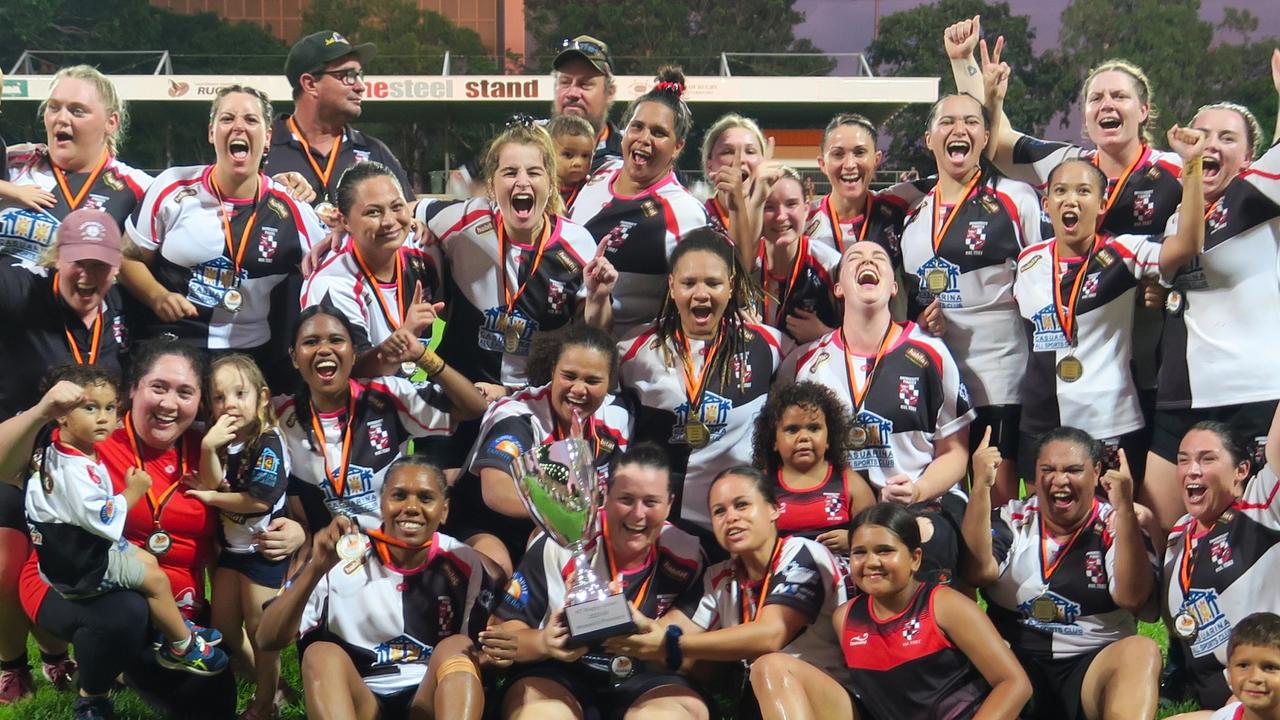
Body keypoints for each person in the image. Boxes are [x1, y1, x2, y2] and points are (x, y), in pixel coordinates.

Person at [13, 340, 306, 719]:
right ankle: (101, 681)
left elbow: (270, 496)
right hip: (82, 589)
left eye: (185, 392)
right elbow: (6, 466)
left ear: (200, 402)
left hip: (177, 615)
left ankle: (136, 662)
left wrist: (296, 531)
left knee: (213, 704)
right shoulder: (94, 435)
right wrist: (40, 412)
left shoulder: (212, 448)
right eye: (159, 387)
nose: (169, 403)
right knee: (126, 615)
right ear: (133, 389)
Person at [1010, 135, 1205, 484]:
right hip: (1041, 417)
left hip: (1111, 417)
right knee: (1044, 523)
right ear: (1046, 204)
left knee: (1117, 521)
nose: (1071, 200)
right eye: (1061, 191)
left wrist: (1191, 166)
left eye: (1084, 192)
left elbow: (1187, 245)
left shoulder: (1123, 253)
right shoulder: (1028, 261)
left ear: (1101, 205)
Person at [780, 239, 973, 584]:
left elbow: (956, 453)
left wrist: (918, 489)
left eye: (878, 258)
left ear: (893, 285)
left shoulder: (932, 354)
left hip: (918, 502)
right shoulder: (808, 363)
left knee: (917, 540)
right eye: (855, 258)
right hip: (839, 511)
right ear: (838, 287)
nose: (867, 261)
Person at [16, 367, 229, 677]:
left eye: (109, 407)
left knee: (146, 559)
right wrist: (134, 492)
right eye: (90, 408)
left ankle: (171, 626)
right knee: (155, 580)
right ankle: (182, 647)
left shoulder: (63, 446)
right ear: (61, 414)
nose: (103, 417)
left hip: (82, 548)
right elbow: (100, 517)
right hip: (79, 566)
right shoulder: (73, 469)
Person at [0, 208, 132, 702]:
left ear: (115, 268)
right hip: (16, 463)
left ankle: (63, 653)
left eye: (99, 265)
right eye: (77, 262)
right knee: (5, 561)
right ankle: (13, 665)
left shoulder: (117, 309)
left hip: (85, 469)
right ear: (57, 259)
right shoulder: (20, 290)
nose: (87, 275)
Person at [257, 457, 505, 720]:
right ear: (382, 502)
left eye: (425, 498)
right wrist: (316, 568)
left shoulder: (464, 562)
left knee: (457, 646)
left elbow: (477, 657)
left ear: (444, 510)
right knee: (319, 654)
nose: (411, 507)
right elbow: (266, 638)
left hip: (428, 697)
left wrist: (495, 657)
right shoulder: (339, 556)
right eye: (399, 495)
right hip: (361, 699)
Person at [1146, 55, 1280, 533]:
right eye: (1203, 134)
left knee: (1260, 536)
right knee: (1159, 534)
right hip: (1181, 398)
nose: (1211, 145)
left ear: (1249, 158)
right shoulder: (1173, 221)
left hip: (1254, 393)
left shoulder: (1259, 196)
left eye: (1228, 138)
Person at [482, 444, 709, 720]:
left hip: (647, 679)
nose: (638, 514)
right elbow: (500, 635)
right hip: (560, 674)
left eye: (651, 502)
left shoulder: (688, 556)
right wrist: (544, 642)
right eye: (626, 499)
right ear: (605, 495)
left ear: (670, 503)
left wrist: (659, 642)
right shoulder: (559, 544)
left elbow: (701, 659)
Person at [121, 85, 325, 392]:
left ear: (267, 137)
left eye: (251, 120)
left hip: (249, 356)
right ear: (211, 132)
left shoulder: (292, 208)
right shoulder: (173, 187)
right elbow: (127, 257)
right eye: (227, 118)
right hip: (173, 346)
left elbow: (329, 267)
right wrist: (156, 296)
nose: (239, 126)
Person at [604, 467, 848, 716]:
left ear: (774, 509)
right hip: (765, 703)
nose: (730, 517)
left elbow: (771, 634)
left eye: (741, 505)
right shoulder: (720, 577)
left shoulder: (802, 552)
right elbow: (668, 631)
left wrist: (671, 645)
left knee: (770, 665)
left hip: (828, 696)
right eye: (719, 511)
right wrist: (628, 624)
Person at [900, 92, 1046, 504]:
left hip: (1003, 377)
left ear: (985, 137)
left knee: (998, 498)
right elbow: (915, 304)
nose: (958, 129)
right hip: (942, 382)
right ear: (929, 138)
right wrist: (925, 322)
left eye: (970, 121)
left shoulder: (1016, 198)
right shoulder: (913, 216)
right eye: (947, 122)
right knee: (952, 498)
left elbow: (1046, 278)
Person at [962, 426, 1163, 720]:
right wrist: (981, 488)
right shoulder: (1013, 518)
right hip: (1016, 667)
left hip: (1092, 664)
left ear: (1096, 473)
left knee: (1142, 650)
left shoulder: (1117, 523)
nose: (1059, 480)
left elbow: (1133, 598)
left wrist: (1126, 515)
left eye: (1072, 470)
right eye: (1048, 469)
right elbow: (977, 571)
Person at [415, 120, 615, 391]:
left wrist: (598, 297)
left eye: (534, 172)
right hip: (457, 390)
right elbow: (400, 208)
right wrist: (413, 224)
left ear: (550, 182)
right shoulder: (464, 218)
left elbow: (594, 334)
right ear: (491, 184)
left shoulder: (577, 244)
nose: (522, 181)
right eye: (510, 173)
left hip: (532, 400)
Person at [618, 230, 783, 542]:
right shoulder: (633, 349)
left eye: (713, 283)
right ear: (671, 286)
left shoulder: (769, 345)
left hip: (735, 523)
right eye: (689, 283)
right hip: (661, 525)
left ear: (731, 286)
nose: (701, 294)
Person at [275, 305, 486, 534]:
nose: (324, 349)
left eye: (336, 340)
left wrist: (423, 357)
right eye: (311, 342)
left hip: (394, 549)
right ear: (294, 358)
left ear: (354, 354)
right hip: (327, 555)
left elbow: (473, 406)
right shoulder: (278, 414)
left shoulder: (386, 396)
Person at [445, 324, 631, 573]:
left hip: (564, 532)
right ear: (553, 369)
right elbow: (496, 491)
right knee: (495, 569)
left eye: (592, 380)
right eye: (569, 376)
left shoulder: (617, 418)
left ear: (610, 382)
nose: (578, 389)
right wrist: (569, 514)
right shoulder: (517, 414)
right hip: (487, 525)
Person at [568, 67, 710, 336]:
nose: (644, 138)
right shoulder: (599, 170)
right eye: (637, 126)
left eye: (658, 132)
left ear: (678, 146)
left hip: (623, 356)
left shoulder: (684, 212)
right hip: (561, 339)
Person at [187, 354, 291, 720]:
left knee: (261, 632)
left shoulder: (268, 442)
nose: (229, 403)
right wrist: (207, 447)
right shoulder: (226, 440)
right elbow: (214, 480)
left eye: (239, 393)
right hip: (232, 549)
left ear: (262, 397)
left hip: (263, 550)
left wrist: (211, 498)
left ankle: (265, 704)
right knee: (225, 626)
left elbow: (258, 501)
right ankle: (266, 682)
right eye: (219, 397)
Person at [1163, 408, 1280, 709]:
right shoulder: (1179, 534)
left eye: (1207, 459)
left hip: (1262, 687)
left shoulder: (1261, 510)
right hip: (1213, 697)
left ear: (1241, 470)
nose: (1192, 470)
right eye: (1183, 459)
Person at [301, 161, 445, 378]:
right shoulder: (332, 283)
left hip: (413, 396)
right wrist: (405, 335)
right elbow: (348, 372)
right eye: (373, 212)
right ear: (344, 221)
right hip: (362, 405)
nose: (389, 221)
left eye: (396, 207)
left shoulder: (424, 250)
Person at [0, 65, 151, 268]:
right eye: (53, 107)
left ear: (111, 122)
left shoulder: (140, 189)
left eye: (77, 111)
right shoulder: (12, 162)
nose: (61, 118)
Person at [268, 30, 413, 208]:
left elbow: (408, 214)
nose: (360, 87)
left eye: (360, 75)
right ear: (310, 84)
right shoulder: (262, 149)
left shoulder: (376, 151)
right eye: (349, 76)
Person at [751, 381, 874, 554]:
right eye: (792, 430)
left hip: (840, 577)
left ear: (829, 438)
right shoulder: (759, 487)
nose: (804, 437)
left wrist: (852, 540)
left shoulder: (851, 484)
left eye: (814, 428)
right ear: (774, 441)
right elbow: (748, 542)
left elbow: (877, 537)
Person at [747, 167, 842, 344]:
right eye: (769, 207)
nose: (781, 216)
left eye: (791, 204)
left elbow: (858, 335)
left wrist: (824, 336)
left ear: (806, 209)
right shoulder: (747, 263)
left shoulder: (830, 264)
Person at [700, 113, 776, 250]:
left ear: (763, 161)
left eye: (750, 151)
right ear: (709, 165)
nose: (740, 159)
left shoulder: (780, 220)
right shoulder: (697, 220)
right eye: (728, 151)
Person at [551, 35, 621, 172]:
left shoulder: (628, 157)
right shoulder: (531, 147)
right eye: (565, 82)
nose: (572, 93)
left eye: (585, 84)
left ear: (610, 93)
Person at [546, 114, 596, 209]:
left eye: (585, 156)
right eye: (568, 155)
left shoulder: (592, 189)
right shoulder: (541, 187)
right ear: (548, 153)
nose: (578, 163)